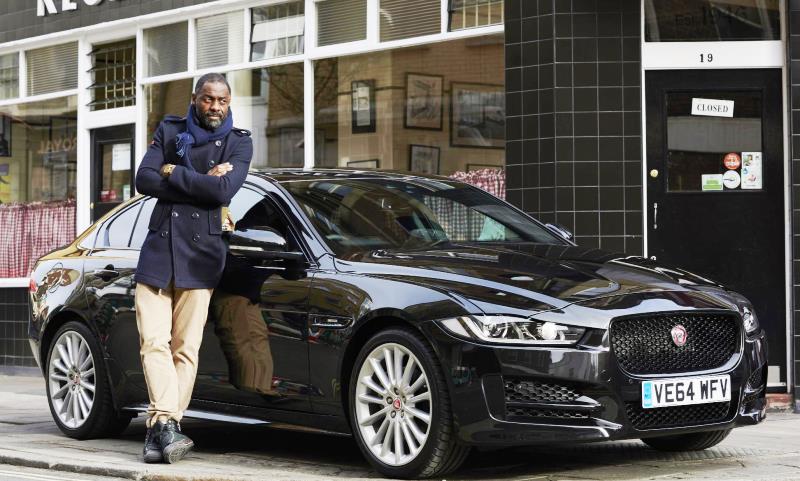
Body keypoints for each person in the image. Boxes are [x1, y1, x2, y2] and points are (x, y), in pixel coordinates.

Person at [133, 72, 252, 464]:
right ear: (196, 98)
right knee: (154, 341)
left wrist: (173, 171)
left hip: (202, 255)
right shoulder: (170, 130)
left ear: (229, 102)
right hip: (158, 252)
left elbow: (222, 192)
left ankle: (160, 431)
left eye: (221, 100)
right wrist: (197, 179)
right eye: (207, 99)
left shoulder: (239, 143)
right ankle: (167, 425)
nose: (214, 107)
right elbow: (144, 179)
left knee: (186, 348)